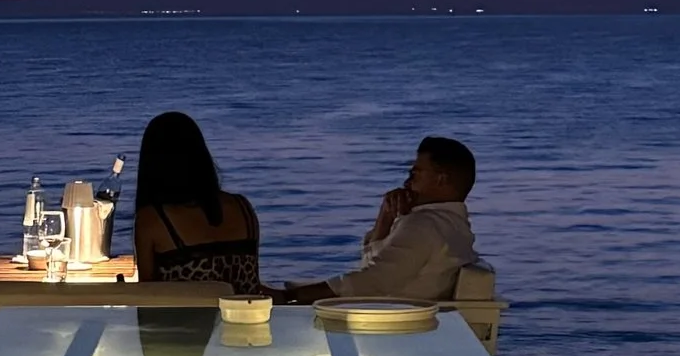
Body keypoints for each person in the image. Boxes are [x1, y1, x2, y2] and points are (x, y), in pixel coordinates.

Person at [305, 135, 485, 306]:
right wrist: (386, 217)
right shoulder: (454, 225)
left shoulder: (423, 225)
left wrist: (293, 296)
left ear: (441, 180)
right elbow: (374, 269)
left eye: (415, 175)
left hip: (392, 320)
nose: (407, 183)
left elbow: (372, 281)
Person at [128, 110, 261, 291]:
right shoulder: (242, 207)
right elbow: (252, 283)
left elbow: (148, 296)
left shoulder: (152, 219)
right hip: (245, 318)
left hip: (181, 320)